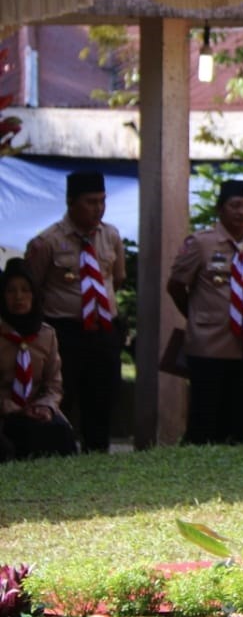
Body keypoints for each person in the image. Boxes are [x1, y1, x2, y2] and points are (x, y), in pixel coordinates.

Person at [24, 170, 126, 453]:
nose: (98, 208)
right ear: (71, 202)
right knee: (64, 395)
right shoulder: (47, 241)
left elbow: (116, 279)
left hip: (104, 329)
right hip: (65, 331)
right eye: (90, 201)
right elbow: (32, 287)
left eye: (102, 201)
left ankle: (98, 452)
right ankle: (60, 451)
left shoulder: (111, 235)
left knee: (103, 396)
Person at [166, 179, 243, 445]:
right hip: (209, 342)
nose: (242, 212)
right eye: (235, 205)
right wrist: (197, 316)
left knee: (239, 413)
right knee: (205, 413)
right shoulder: (200, 243)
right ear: (220, 209)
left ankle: (235, 451)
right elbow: (176, 285)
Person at [0, 259, 78, 460]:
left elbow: (54, 384)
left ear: (35, 295)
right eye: (11, 291)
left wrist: (45, 406)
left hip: (36, 411)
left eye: (25, 290)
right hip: (5, 411)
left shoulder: (46, 335)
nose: (18, 297)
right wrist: (9, 406)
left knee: (61, 435)